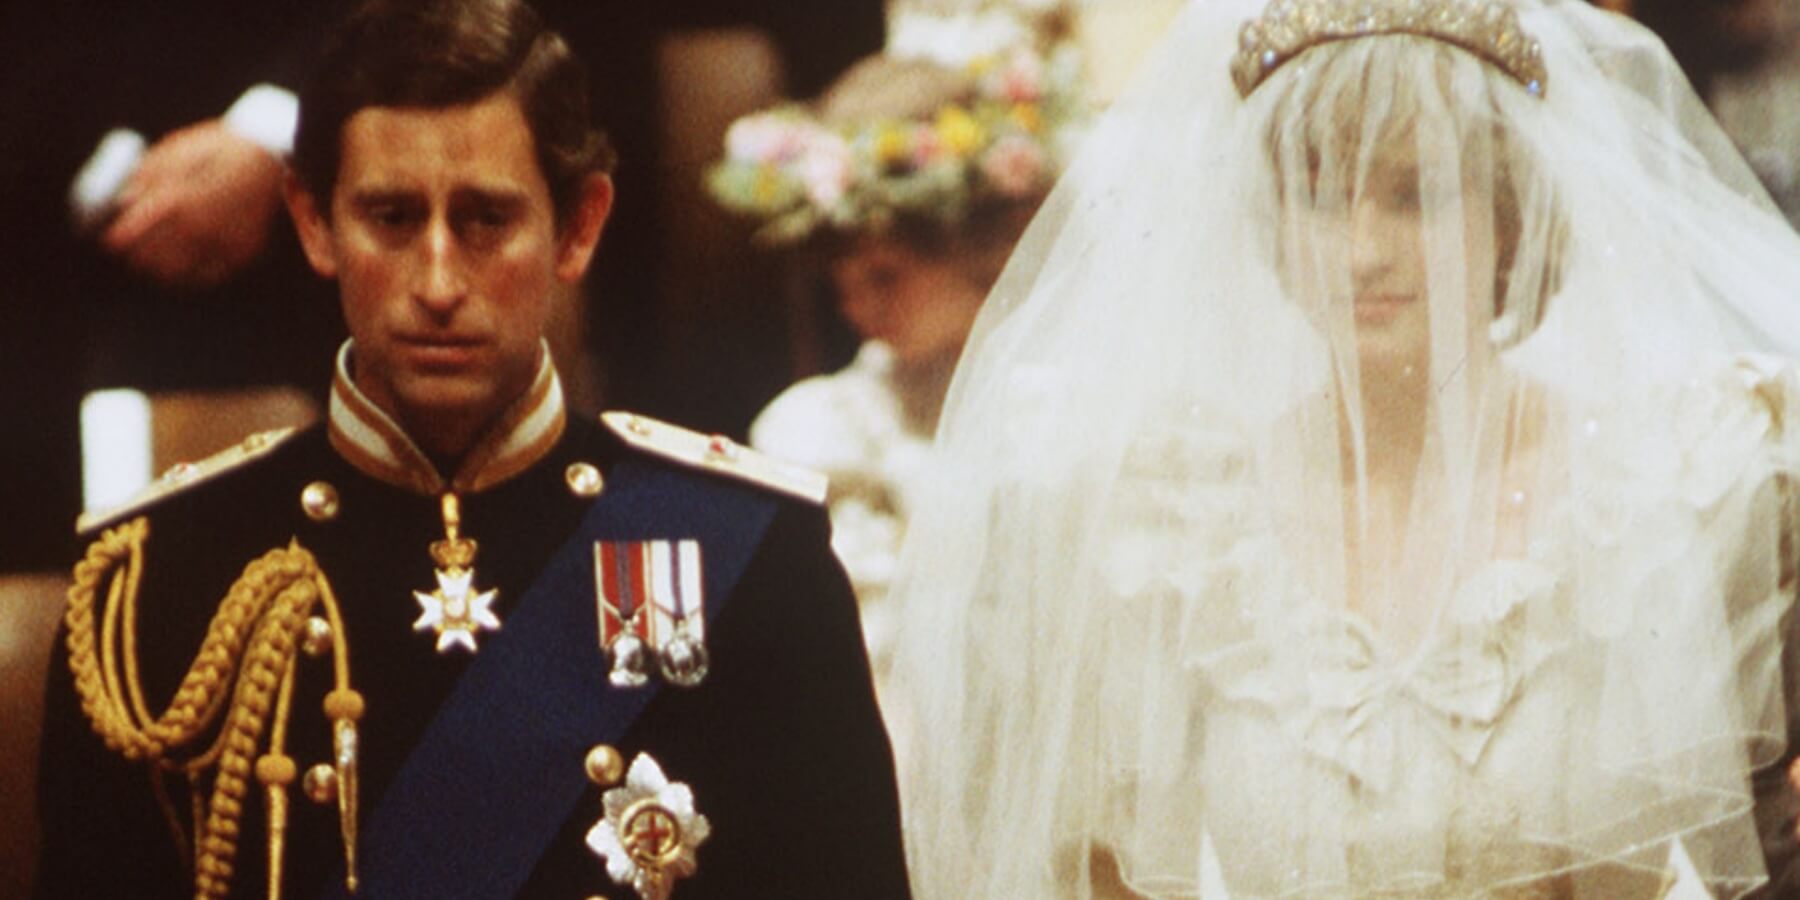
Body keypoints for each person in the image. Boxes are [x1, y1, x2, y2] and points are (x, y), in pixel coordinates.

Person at [886, 0, 1800, 896]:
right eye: (1321, 196)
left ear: (1510, 217)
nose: (1365, 250)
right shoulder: (1166, 522)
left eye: (1417, 195)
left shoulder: (1664, 491)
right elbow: (1096, 868)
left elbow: (1765, 851)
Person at [30, 1, 910, 897]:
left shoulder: (747, 553)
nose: (440, 282)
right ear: (313, 222)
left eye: (486, 219)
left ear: (578, 227)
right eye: (393, 217)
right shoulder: (159, 581)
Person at [706, 20, 1082, 672]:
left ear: (985, 249)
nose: (856, 306)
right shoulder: (837, 426)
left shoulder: (1071, 401)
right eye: (841, 283)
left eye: (885, 276)